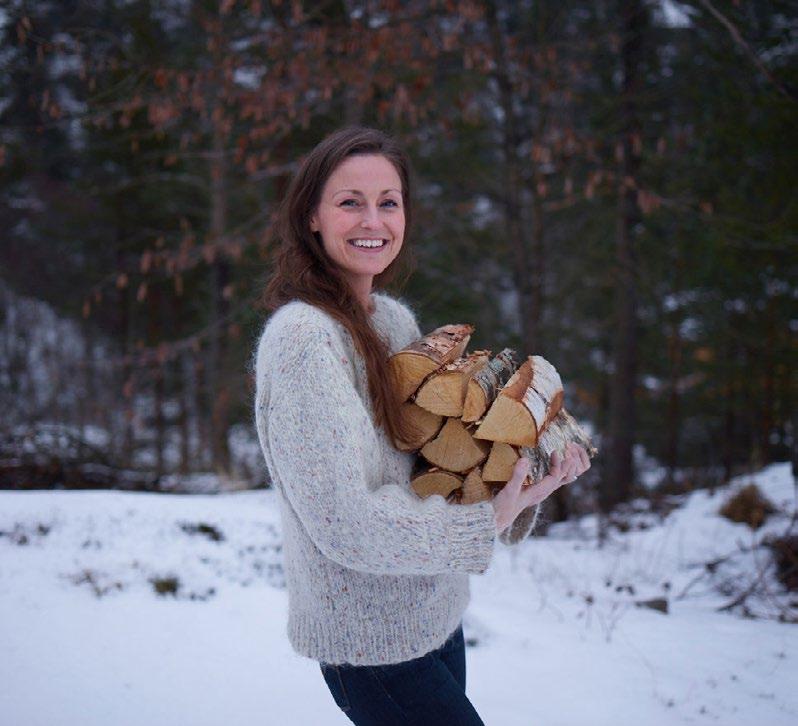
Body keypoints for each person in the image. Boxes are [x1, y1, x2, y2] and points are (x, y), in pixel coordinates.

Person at [252, 126, 591, 725]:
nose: (372, 220)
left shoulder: (391, 321)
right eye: (349, 202)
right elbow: (344, 522)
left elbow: (432, 469)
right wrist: (485, 523)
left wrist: (523, 478)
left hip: (434, 613)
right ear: (311, 216)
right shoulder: (303, 340)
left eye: (388, 201)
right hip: (371, 644)